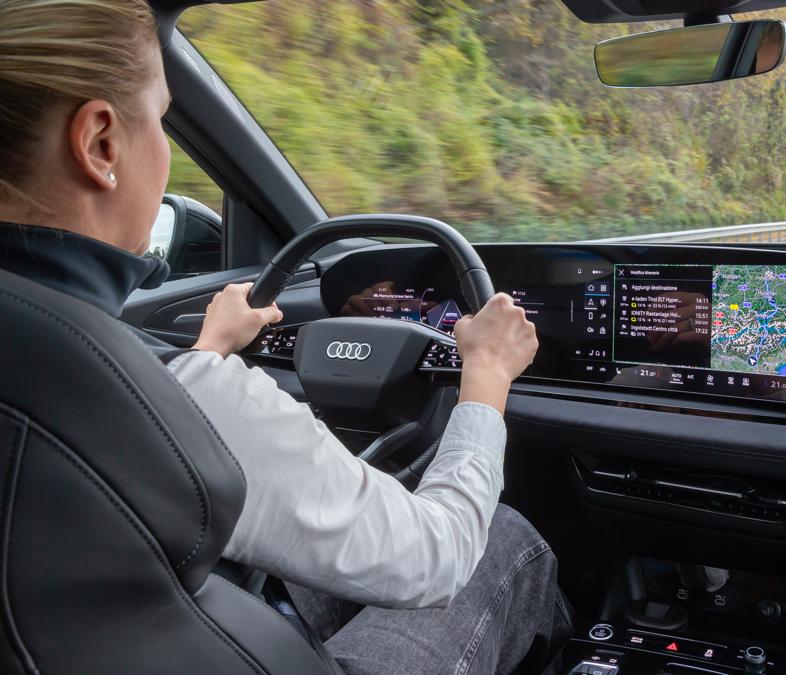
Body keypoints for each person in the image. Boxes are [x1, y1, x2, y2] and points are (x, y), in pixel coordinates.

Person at [0, 1, 571, 673]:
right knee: (499, 538)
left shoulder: (61, 362)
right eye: (160, 119)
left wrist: (205, 353)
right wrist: (488, 376)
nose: (164, 149)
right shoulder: (192, 400)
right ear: (101, 143)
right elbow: (439, 556)